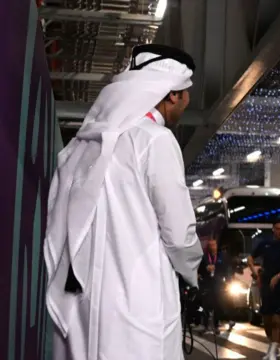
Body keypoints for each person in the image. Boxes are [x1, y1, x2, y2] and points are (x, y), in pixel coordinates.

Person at [44, 44, 203, 360]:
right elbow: (178, 231)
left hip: (80, 302)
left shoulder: (84, 142)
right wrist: (192, 271)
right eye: (186, 95)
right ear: (172, 94)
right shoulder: (155, 139)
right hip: (138, 300)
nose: (186, 104)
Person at [247, 220, 280, 360]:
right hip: (266, 285)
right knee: (267, 319)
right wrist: (254, 271)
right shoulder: (265, 243)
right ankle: (272, 344)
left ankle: (274, 349)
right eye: (278, 228)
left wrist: (278, 276)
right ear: (273, 229)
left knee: (278, 318)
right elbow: (250, 258)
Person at [198, 238, 235, 334]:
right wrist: (205, 268)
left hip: (218, 284)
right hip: (207, 284)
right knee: (206, 304)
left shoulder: (222, 256)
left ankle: (216, 324)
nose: (212, 247)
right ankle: (205, 325)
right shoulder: (204, 257)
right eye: (210, 245)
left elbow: (227, 270)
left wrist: (229, 281)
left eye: (214, 245)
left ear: (216, 245)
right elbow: (199, 269)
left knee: (218, 305)